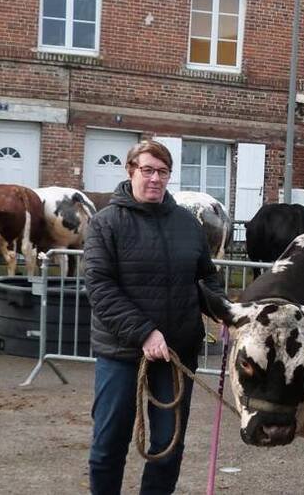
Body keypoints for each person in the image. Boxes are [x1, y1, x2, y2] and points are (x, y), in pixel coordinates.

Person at [84, 139, 228, 495]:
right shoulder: (105, 224)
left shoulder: (187, 224)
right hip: (120, 352)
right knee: (109, 444)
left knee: (168, 446)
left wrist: (224, 311)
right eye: (147, 170)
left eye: (163, 172)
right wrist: (145, 333)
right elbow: (100, 287)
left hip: (176, 352)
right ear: (131, 170)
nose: (155, 179)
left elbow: (205, 277)